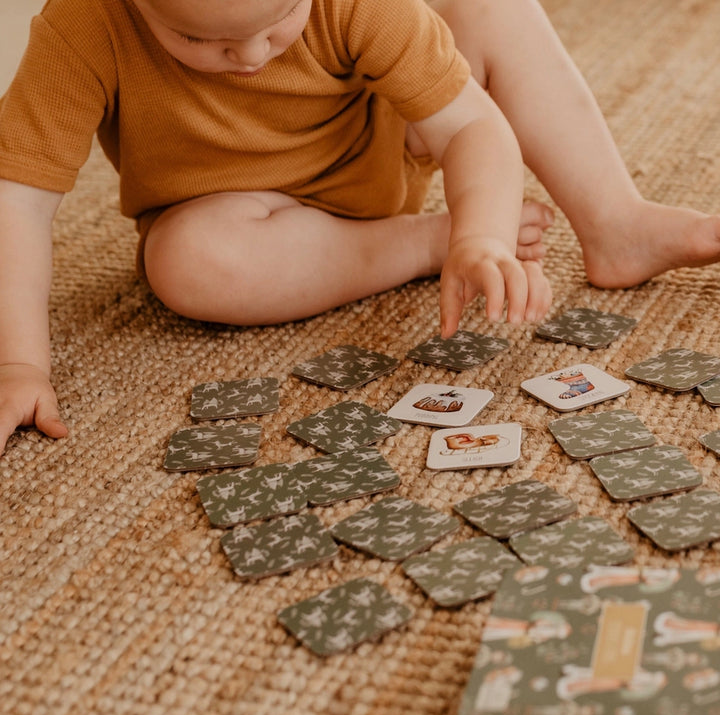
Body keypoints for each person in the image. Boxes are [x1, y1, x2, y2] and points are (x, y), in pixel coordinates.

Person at [1, 0, 719, 457]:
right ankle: (420, 243)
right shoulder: (79, 27)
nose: (252, 57)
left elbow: (473, 126)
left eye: (279, 17)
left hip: (384, 148)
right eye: (196, 37)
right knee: (186, 264)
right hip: (242, 223)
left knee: (492, 7)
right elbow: (18, 202)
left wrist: (486, 234)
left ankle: (613, 220)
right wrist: (20, 365)